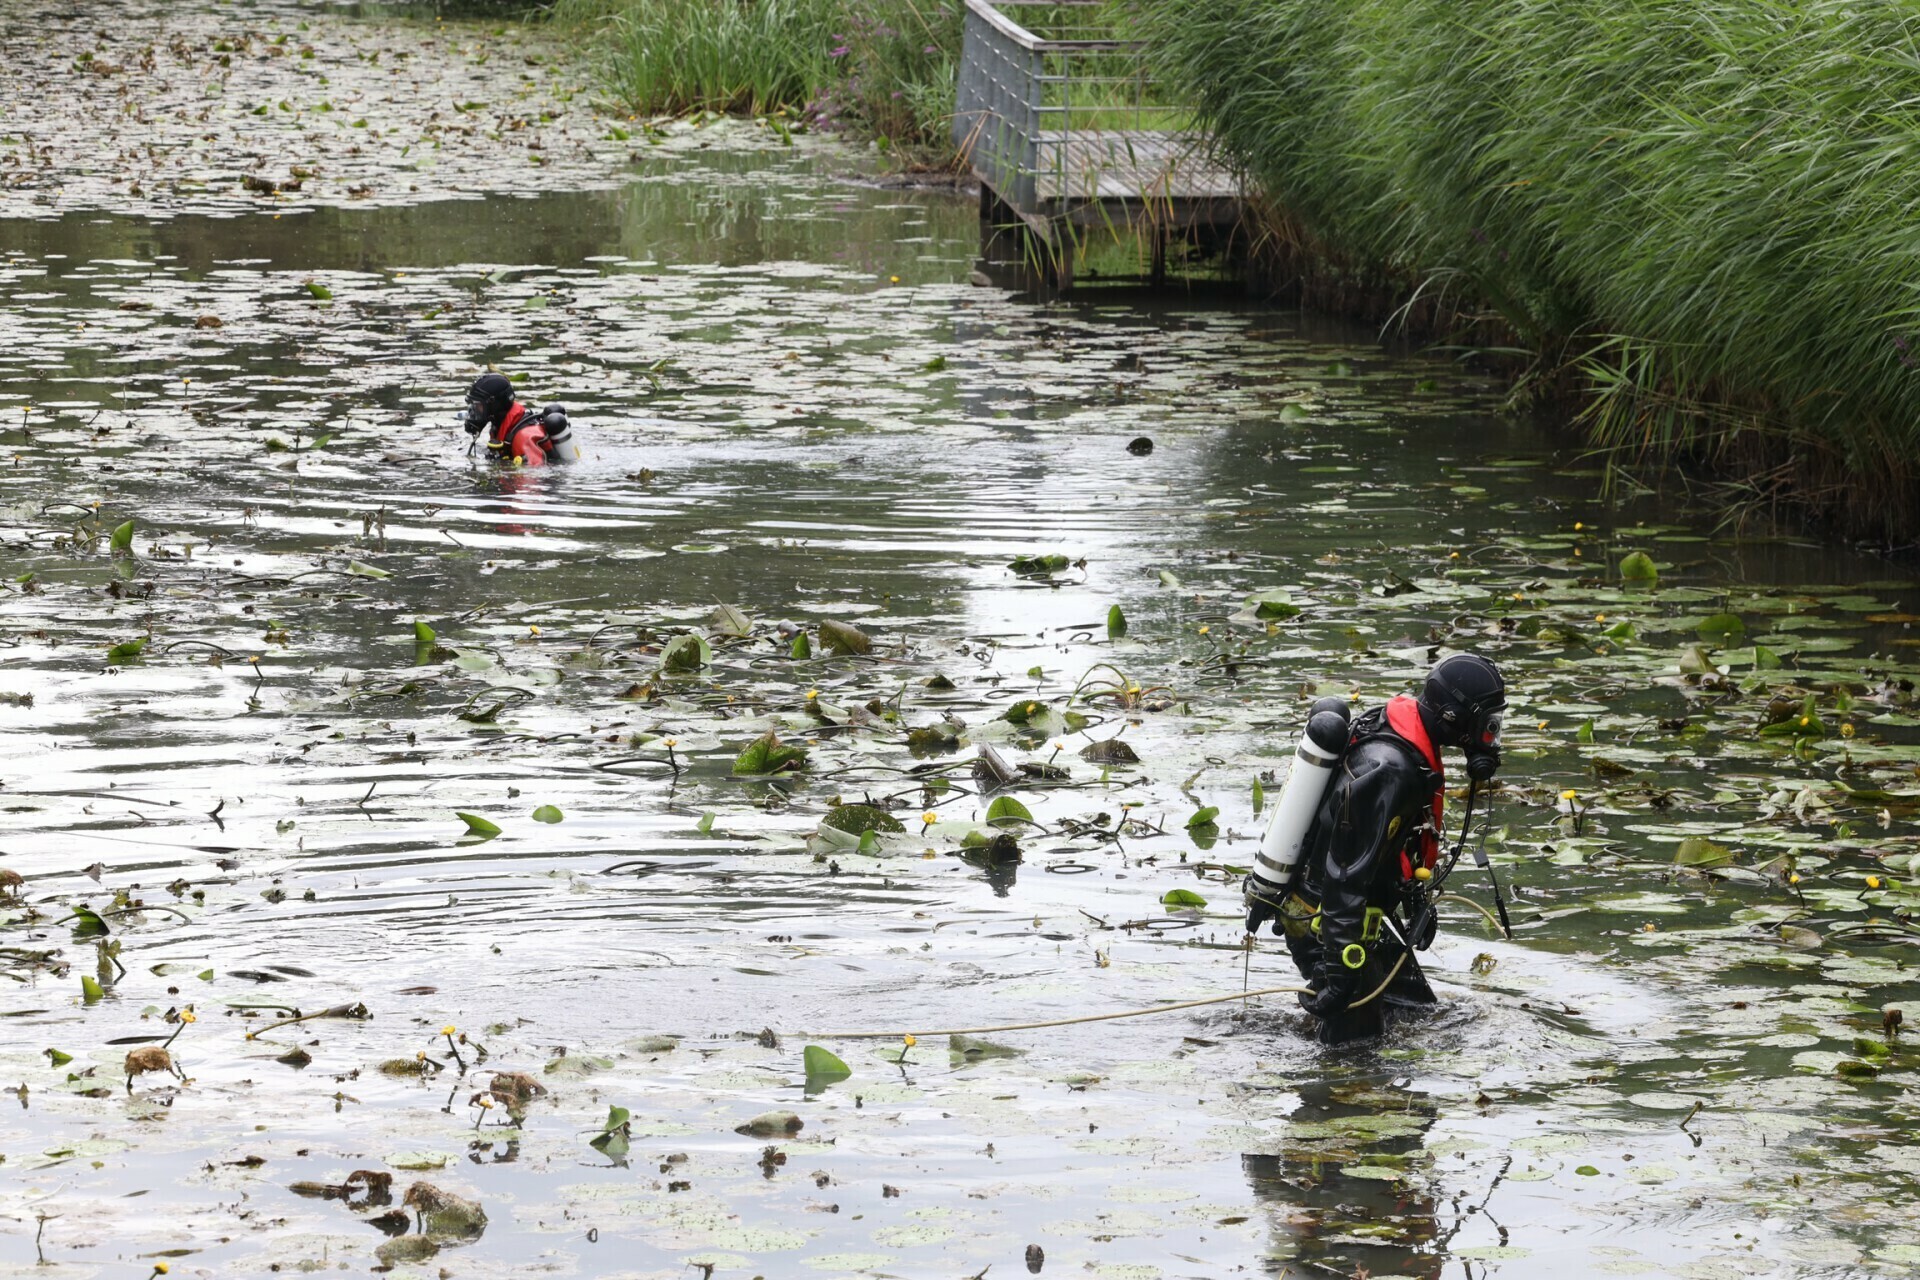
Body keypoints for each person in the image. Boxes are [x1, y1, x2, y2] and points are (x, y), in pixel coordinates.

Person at [1245, 653, 1506, 1045]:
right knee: (1355, 1051)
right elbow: (1344, 876)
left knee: (1417, 1014)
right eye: (1486, 724)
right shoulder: (1390, 771)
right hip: (1325, 923)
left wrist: (1415, 900)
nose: (1490, 737)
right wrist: (1340, 971)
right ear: (1454, 716)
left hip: (1358, 917)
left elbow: (1390, 845)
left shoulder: (1403, 736)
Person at [462, 372, 579, 467]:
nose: (474, 411)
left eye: (478, 406)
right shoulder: (500, 425)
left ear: (494, 405)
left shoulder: (523, 437)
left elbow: (534, 478)